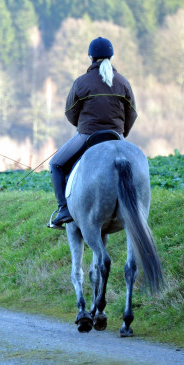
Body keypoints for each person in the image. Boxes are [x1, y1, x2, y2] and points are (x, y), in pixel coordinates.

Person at [48, 37, 137, 229]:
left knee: (55, 164)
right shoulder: (123, 82)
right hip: (117, 137)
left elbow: (70, 112)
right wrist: (122, 135)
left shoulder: (81, 82)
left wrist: (82, 128)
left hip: (88, 135)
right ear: (111, 57)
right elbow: (132, 113)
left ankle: (63, 209)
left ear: (90, 57)